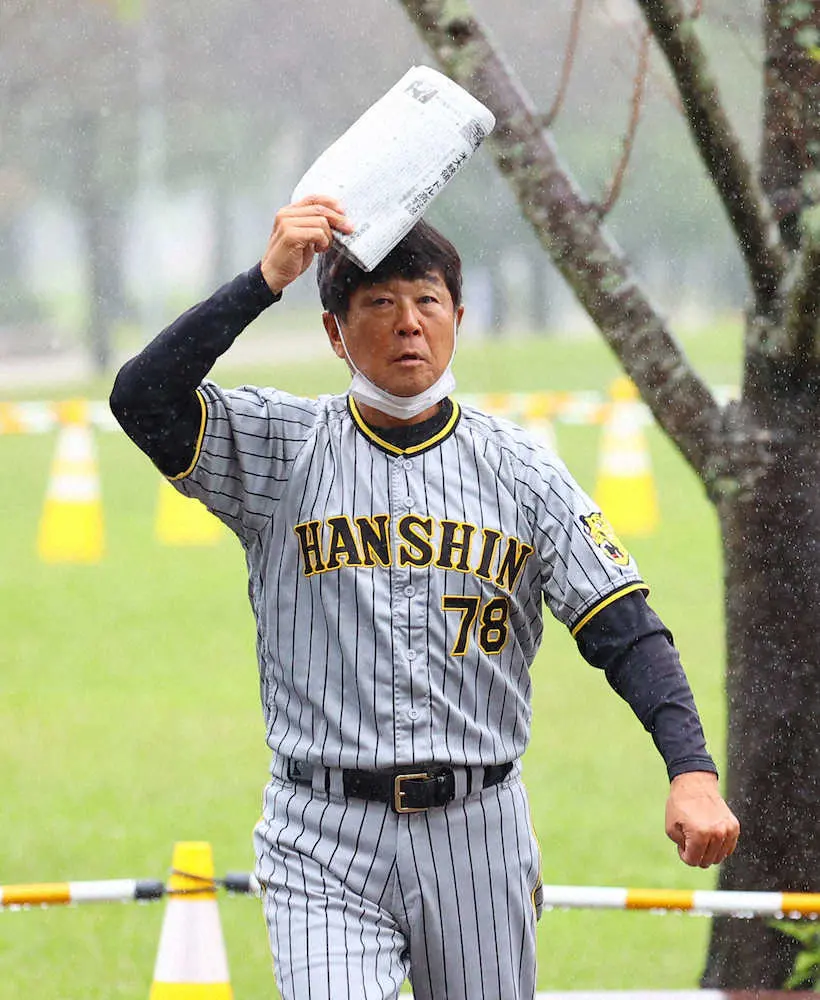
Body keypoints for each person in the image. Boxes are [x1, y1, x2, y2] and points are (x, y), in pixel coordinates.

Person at [110, 195, 740, 1000]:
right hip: (321, 830)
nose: (409, 322)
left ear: (458, 317)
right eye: (380, 302)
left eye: (427, 300)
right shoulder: (281, 449)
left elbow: (624, 627)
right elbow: (142, 399)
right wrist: (264, 281)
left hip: (477, 830)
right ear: (336, 332)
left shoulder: (524, 468)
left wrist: (690, 768)